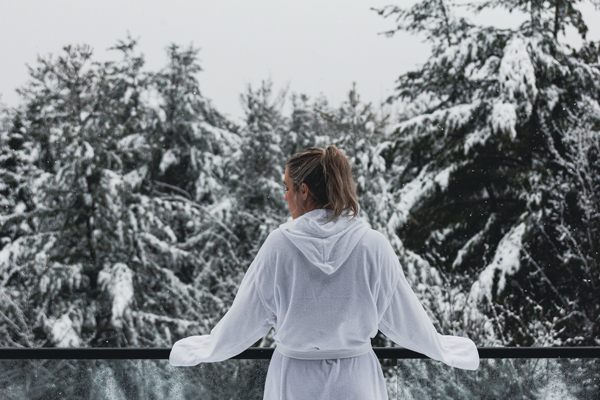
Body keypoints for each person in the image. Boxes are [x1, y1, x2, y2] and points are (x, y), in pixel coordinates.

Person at [169, 146, 479, 399]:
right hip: (356, 382)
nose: (286, 196)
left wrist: (206, 348)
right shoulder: (372, 245)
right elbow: (403, 318)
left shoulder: (279, 246)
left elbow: (247, 318)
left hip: (294, 381)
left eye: (288, 188)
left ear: (304, 191)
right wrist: (442, 349)